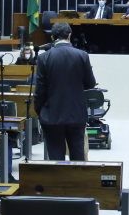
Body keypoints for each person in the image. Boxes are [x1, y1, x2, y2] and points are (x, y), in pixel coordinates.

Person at [35, 22, 97, 161]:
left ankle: (58, 183)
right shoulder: (82, 55)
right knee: (77, 158)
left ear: (52, 37)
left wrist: (40, 111)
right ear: (69, 35)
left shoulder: (43, 58)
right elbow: (90, 83)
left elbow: (40, 90)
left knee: (56, 158)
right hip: (76, 114)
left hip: (51, 115)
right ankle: (76, 183)